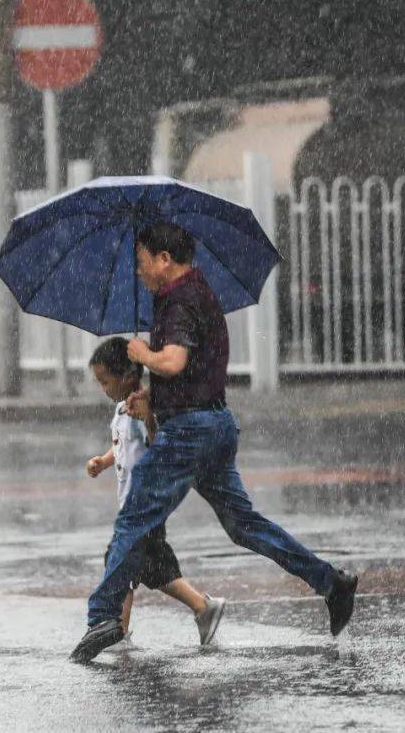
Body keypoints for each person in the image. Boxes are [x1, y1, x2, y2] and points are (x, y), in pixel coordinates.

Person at [70, 221, 358, 663]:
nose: (139, 271)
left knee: (133, 518)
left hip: (191, 432)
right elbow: (192, 373)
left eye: (142, 261)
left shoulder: (179, 300)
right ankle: (330, 583)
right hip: (215, 423)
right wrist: (155, 397)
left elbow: (175, 359)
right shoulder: (198, 293)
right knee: (244, 525)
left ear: (164, 259)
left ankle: (103, 615)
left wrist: (142, 355)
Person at [86, 337, 226, 650]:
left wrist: (148, 418)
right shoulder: (121, 409)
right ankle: (203, 608)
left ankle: (115, 631)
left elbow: (155, 441)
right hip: (134, 507)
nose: (103, 388)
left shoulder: (143, 407)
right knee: (153, 568)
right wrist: (104, 461)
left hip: (145, 504)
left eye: (105, 381)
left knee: (119, 562)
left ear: (127, 376)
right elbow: (120, 446)